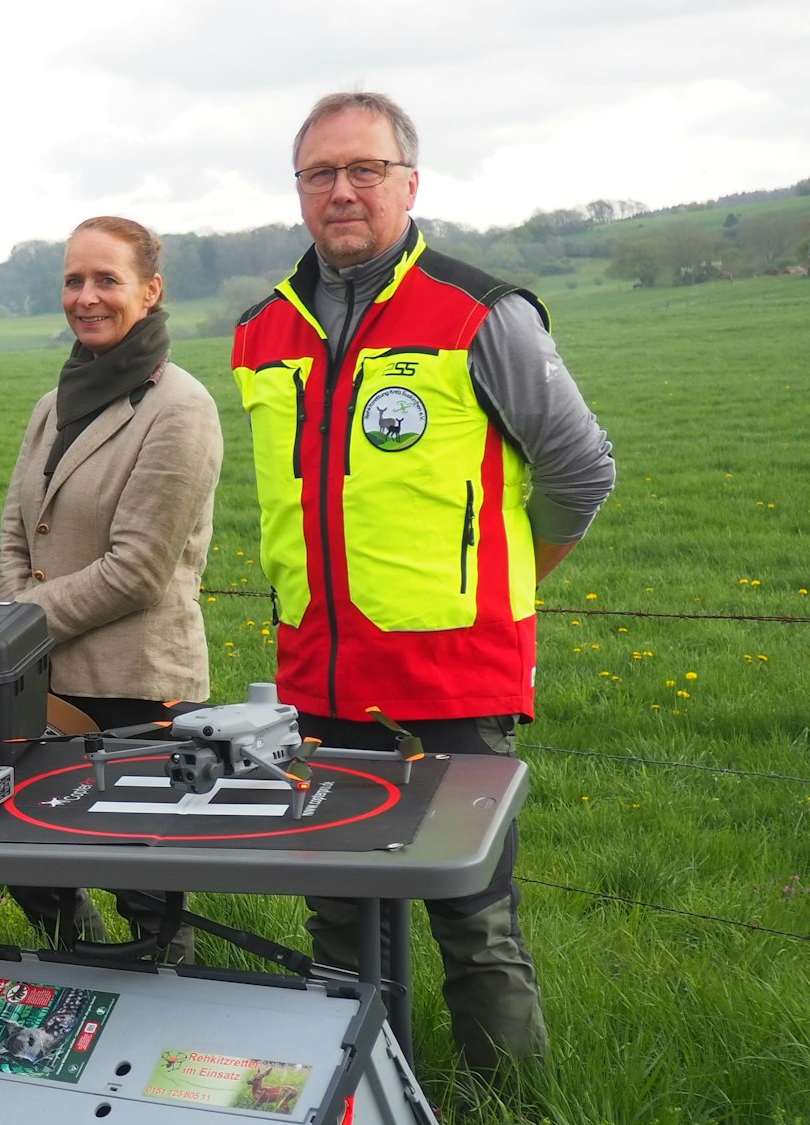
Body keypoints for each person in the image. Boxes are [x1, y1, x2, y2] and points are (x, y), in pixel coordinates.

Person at [231, 91, 614, 1074]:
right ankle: (356, 1088)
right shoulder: (259, 332)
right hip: (319, 677)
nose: (341, 191)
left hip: (453, 677)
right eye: (319, 173)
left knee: (471, 921)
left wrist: (512, 572)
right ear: (299, 192)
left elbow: (578, 469)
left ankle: (506, 1104)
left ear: (409, 182)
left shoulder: (479, 312)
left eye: (364, 170)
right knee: (339, 918)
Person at [0, 217, 221, 963]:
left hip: (138, 690)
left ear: (150, 292)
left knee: (148, 889)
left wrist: (14, 623)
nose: (85, 297)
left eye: (106, 280)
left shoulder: (180, 408)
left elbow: (138, 570)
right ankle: (87, 974)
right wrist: (14, 633)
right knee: (27, 852)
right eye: (73, 280)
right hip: (48, 687)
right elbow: (14, 529)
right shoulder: (53, 403)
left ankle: (167, 1018)